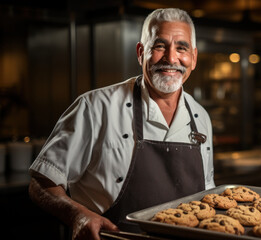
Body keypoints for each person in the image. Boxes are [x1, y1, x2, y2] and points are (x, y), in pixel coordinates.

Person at [28, 8, 215, 240]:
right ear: (140, 52)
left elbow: (206, 196)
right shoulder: (95, 107)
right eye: (159, 46)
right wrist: (78, 215)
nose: (171, 58)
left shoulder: (201, 117)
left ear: (194, 58)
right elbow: (40, 182)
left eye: (182, 48)